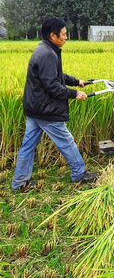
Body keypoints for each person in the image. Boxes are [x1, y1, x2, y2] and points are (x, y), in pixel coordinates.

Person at [11, 17, 98, 191]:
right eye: (64, 34)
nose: (66, 37)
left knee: (28, 144)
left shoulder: (46, 49)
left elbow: (57, 75)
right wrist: (75, 94)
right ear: (53, 35)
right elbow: (52, 86)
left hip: (35, 108)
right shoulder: (47, 54)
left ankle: (19, 182)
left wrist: (76, 81)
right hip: (45, 109)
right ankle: (79, 174)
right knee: (66, 141)